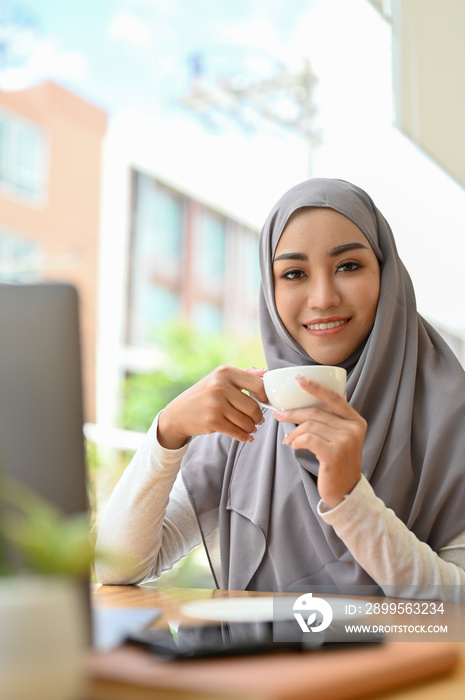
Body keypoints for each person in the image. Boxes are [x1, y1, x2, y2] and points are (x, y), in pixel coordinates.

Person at [96, 178, 465, 600]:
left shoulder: (451, 417)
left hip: (411, 667)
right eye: (294, 273)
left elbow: (458, 607)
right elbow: (117, 564)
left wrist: (351, 498)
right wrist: (168, 432)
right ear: (270, 293)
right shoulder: (252, 422)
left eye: (348, 266)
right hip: (259, 666)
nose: (323, 298)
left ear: (387, 273)